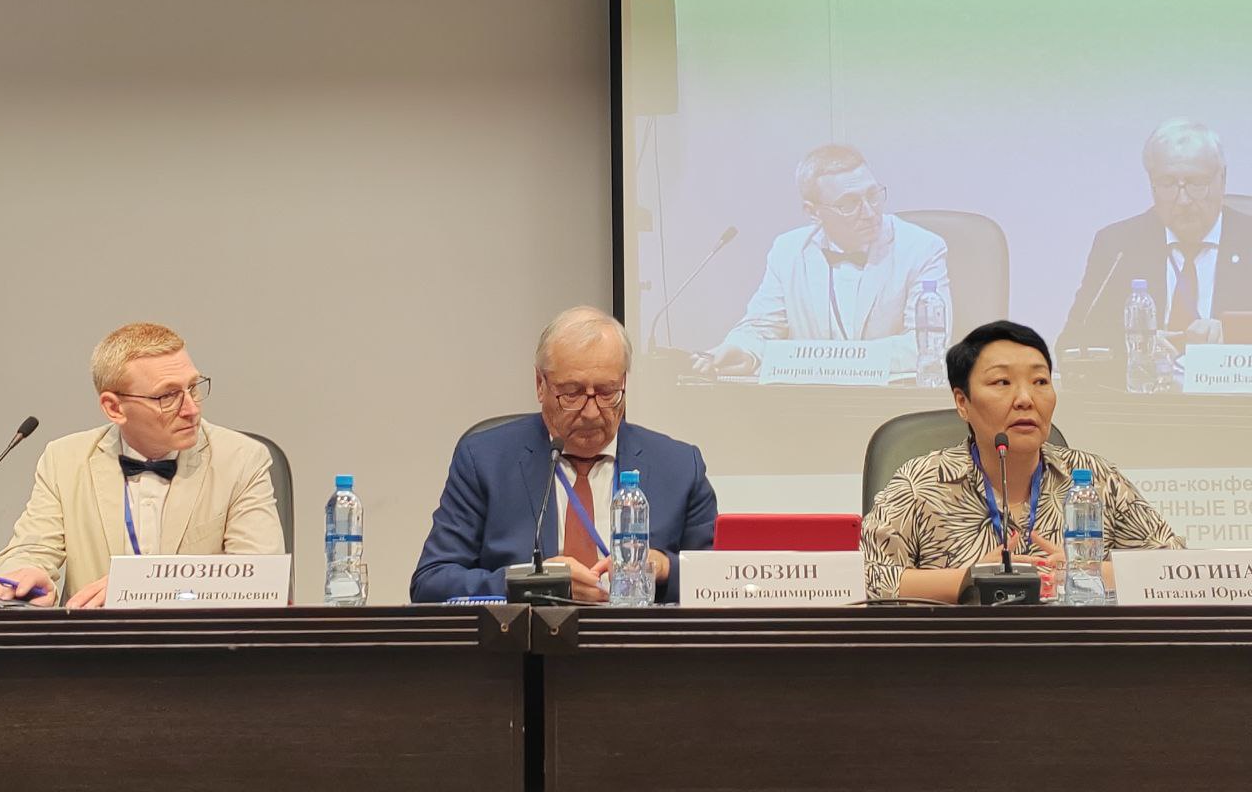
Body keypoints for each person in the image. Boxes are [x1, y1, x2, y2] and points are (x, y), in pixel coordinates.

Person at [411, 306, 718, 604]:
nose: (591, 411)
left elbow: (723, 580)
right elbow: (431, 582)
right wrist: (535, 582)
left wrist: (665, 568)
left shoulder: (679, 467)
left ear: (624, 382)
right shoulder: (485, 460)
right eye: (572, 393)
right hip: (529, 638)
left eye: (607, 392)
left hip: (636, 638)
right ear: (540, 385)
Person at [862, 320, 1183, 602]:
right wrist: (970, 580)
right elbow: (865, 578)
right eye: (1002, 383)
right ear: (962, 402)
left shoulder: (1096, 477)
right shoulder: (920, 484)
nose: (1026, 399)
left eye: (1040, 382)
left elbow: (1177, 569)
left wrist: (1087, 573)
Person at [0, 323, 284, 608]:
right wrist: (25, 576)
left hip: (199, 643)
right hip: (93, 642)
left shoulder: (242, 459)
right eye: (168, 395)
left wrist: (140, 587)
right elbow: (28, 551)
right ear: (114, 408)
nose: (192, 409)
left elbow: (262, 580)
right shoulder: (65, 460)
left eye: (193, 387)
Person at [695, 143, 949, 377]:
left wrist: (825, 360)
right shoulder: (788, 251)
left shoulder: (922, 247)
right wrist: (743, 349)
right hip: (810, 401)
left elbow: (928, 345)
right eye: (848, 204)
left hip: (889, 401)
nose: (870, 212)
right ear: (813, 212)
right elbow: (760, 326)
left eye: (873, 195)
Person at [1058, 117, 1252, 360]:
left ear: (1222, 178)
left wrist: (1235, 336)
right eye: (1168, 183)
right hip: (1145, 384)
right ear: (1152, 185)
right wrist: (1136, 348)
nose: (1183, 199)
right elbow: (1073, 343)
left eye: (1197, 183)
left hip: (1230, 384)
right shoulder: (1118, 246)